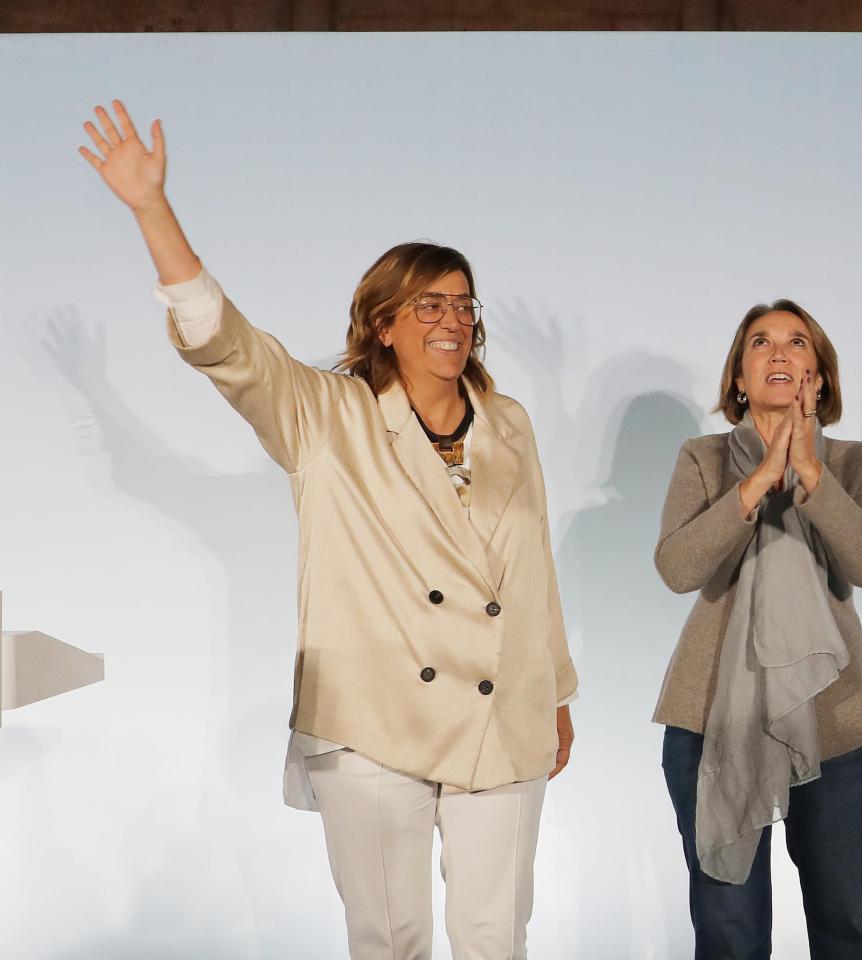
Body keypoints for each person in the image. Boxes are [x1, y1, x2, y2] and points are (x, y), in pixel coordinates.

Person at [78, 100, 579, 960]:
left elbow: (528, 570)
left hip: (507, 712)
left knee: (497, 937)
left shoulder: (511, 424)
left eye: (462, 304)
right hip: (374, 719)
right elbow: (228, 347)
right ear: (383, 323)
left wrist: (556, 690)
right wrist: (151, 208)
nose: (452, 320)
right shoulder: (327, 416)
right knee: (391, 939)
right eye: (427, 305)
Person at [653, 300, 862, 959]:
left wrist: (811, 474)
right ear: (740, 376)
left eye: (798, 343)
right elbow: (677, 568)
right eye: (761, 343)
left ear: (819, 376)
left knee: (851, 923)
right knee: (729, 931)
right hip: (713, 722)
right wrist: (760, 480)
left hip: (837, 724)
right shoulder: (703, 458)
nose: (780, 353)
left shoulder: (855, 462)